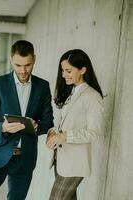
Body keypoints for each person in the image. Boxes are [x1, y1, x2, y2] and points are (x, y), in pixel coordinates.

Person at [0, 40, 54, 200]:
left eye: (27, 65)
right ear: (12, 60)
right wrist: (2, 127)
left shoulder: (43, 87)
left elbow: (48, 122)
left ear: (34, 59)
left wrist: (36, 125)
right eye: (18, 65)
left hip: (25, 160)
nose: (23, 70)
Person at [46, 49, 104, 200]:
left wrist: (64, 137)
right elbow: (63, 123)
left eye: (68, 70)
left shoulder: (92, 96)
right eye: (62, 70)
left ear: (83, 70)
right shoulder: (72, 92)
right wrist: (53, 133)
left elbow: (94, 132)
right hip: (61, 160)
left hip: (75, 164)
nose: (64, 74)